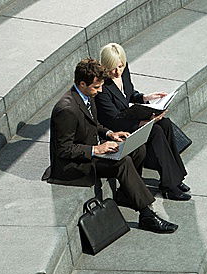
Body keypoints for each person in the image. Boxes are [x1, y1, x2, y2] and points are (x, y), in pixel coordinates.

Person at [43, 58, 177, 234]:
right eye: (96, 87)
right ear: (82, 83)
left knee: (137, 148)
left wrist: (109, 134)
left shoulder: (86, 95)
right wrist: (96, 149)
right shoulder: (66, 109)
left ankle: (127, 194)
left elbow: (94, 123)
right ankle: (147, 215)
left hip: (91, 152)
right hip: (74, 165)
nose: (100, 91)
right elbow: (64, 149)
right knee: (122, 162)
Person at [95, 43, 191, 201]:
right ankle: (169, 186)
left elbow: (129, 94)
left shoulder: (123, 71)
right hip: (118, 128)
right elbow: (114, 119)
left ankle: (175, 177)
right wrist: (145, 122)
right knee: (155, 130)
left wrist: (147, 98)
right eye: (112, 68)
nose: (117, 71)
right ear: (104, 65)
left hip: (128, 116)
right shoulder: (102, 87)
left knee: (165, 124)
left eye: (120, 66)